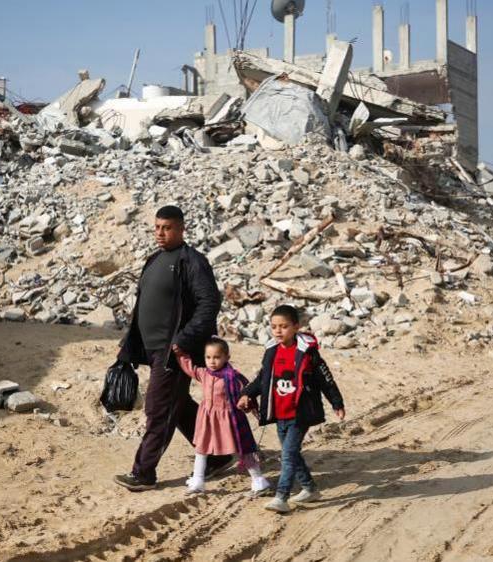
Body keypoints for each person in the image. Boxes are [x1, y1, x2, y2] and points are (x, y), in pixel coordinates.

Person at [114, 206, 232, 491]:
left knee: (158, 408)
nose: (160, 233)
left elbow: (209, 304)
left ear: (181, 229)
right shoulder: (155, 260)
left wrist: (183, 340)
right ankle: (217, 457)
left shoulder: (192, 261)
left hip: (175, 352)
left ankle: (143, 473)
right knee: (175, 406)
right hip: (153, 350)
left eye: (166, 228)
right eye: (157, 227)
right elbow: (144, 305)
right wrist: (129, 346)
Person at [237, 305, 345, 513]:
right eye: (274, 326)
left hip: (300, 413)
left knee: (287, 455)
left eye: (284, 326)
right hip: (280, 413)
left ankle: (282, 496)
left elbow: (326, 380)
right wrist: (247, 393)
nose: (278, 331)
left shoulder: (308, 353)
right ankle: (310, 488)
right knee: (292, 454)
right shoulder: (272, 351)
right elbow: (263, 378)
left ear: (296, 327)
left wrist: (337, 403)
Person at [173, 337, 271, 496]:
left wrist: (247, 403)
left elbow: (247, 393)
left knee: (243, 448)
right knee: (201, 449)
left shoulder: (233, 377)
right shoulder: (204, 373)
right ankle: (198, 481)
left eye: (217, 357)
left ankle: (258, 480)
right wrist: (180, 354)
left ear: (227, 357)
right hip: (207, 418)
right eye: (208, 357)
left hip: (229, 419)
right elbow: (189, 367)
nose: (212, 361)